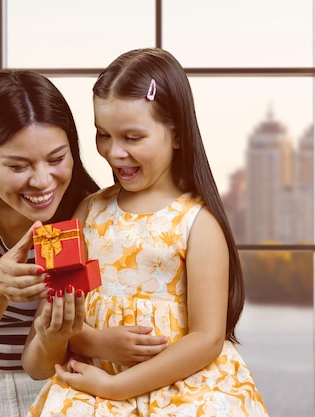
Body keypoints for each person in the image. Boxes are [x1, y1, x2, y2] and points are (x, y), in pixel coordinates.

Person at [24, 48, 268, 416]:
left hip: (180, 389)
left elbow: (207, 339)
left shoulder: (198, 223)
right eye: (103, 134)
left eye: (132, 138)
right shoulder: (88, 211)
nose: (114, 152)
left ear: (177, 135)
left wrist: (117, 387)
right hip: (94, 389)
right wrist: (95, 342)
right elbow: (56, 313)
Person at [0, 70, 143, 417]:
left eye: (56, 159)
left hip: (50, 367)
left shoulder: (82, 207)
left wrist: (79, 338)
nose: (42, 181)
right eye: (18, 166)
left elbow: (50, 345)